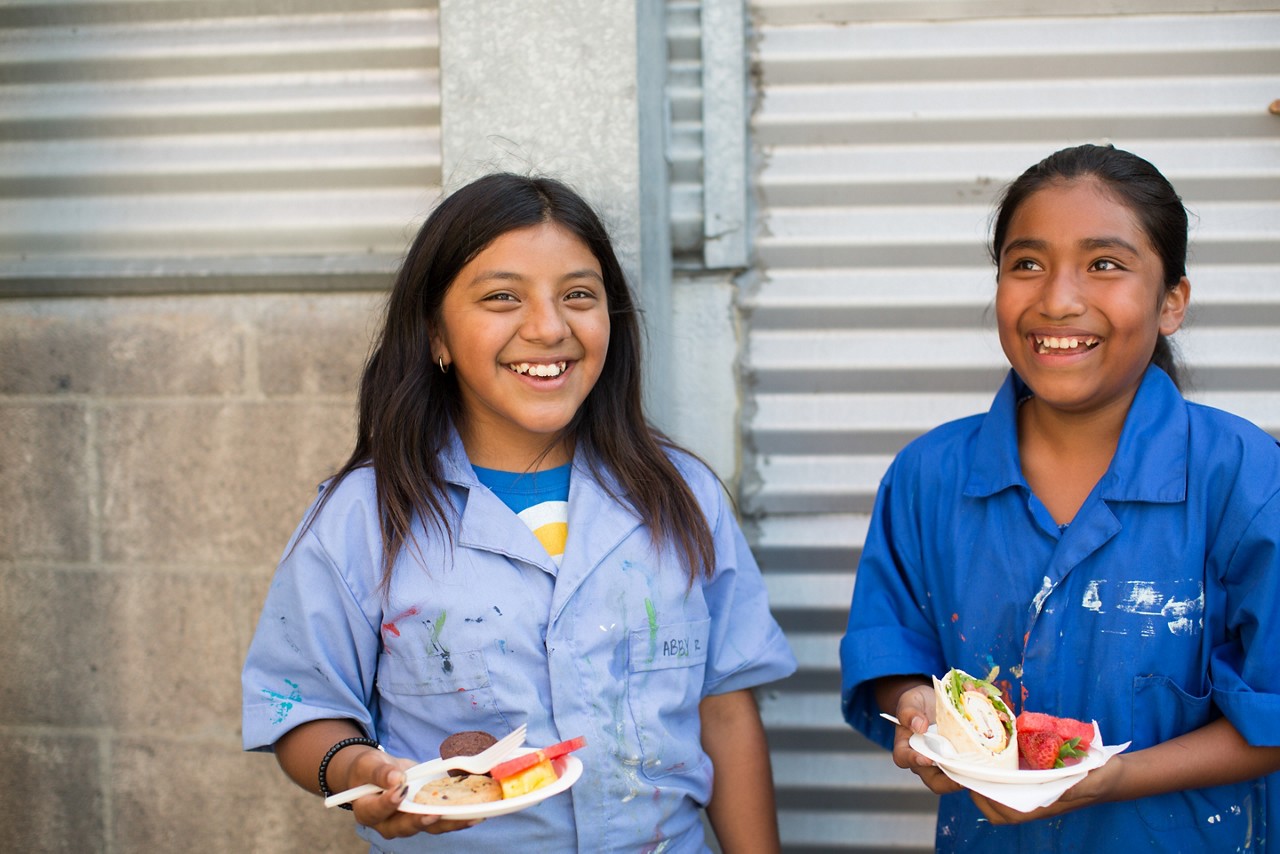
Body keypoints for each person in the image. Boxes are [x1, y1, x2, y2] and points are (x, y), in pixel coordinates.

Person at [242, 172, 796, 853]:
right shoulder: (364, 517)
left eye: (579, 296)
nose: (548, 327)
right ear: (436, 335)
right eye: (502, 297)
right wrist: (363, 772)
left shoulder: (680, 496)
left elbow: (725, 712)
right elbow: (303, 708)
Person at [839, 144, 1280, 851]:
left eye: (1104, 264)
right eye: (1027, 264)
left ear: (1172, 302)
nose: (1057, 298)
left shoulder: (1247, 477)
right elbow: (891, 649)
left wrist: (1110, 777)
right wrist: (916, 707)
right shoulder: (929, 477)